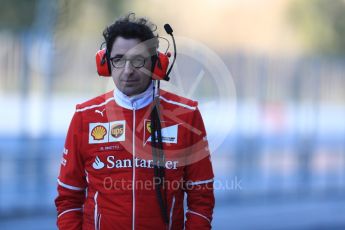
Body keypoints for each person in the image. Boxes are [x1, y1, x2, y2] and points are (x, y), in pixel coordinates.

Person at [55, 13, 214, 230]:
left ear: (156, 63)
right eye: (118, 59)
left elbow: (201, 198)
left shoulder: (187, 115)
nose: (128, 70)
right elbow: (68, 197)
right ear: (105, 63)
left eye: (138, 60)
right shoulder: (85, 116)